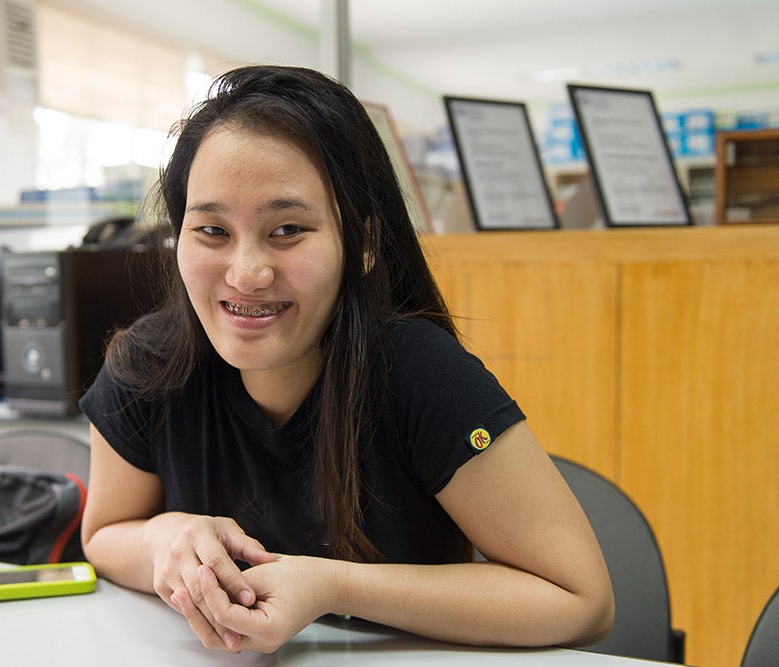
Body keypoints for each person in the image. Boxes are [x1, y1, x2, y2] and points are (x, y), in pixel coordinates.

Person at [79, 64, 614, 655]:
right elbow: (103, 535)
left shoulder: (420, 374)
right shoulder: (147, 369)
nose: (246, 274)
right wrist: (165, 539)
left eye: (287, 229)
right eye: (211, 230)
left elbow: (579, 600)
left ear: (362, 245)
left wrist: (334, 585)